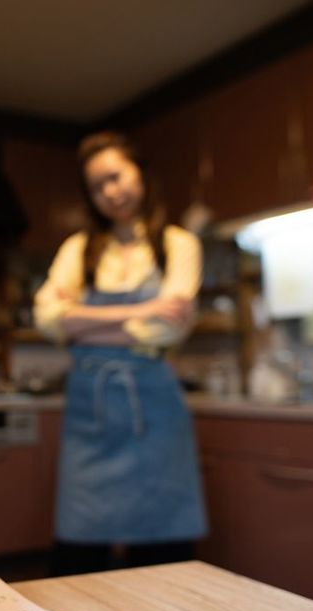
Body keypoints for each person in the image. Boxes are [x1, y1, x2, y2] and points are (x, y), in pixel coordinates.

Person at [33, 131, 207, 575]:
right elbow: (48, 319)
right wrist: (145, 309)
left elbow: (169, 328)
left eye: (116, 177)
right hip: (90, 416)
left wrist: (84, 323)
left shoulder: (179, 245)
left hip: (156, 415)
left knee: (165, 559)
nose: (110, 192)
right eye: (97, 186)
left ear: (140, 173)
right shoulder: (78, 249)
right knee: (78, 556)